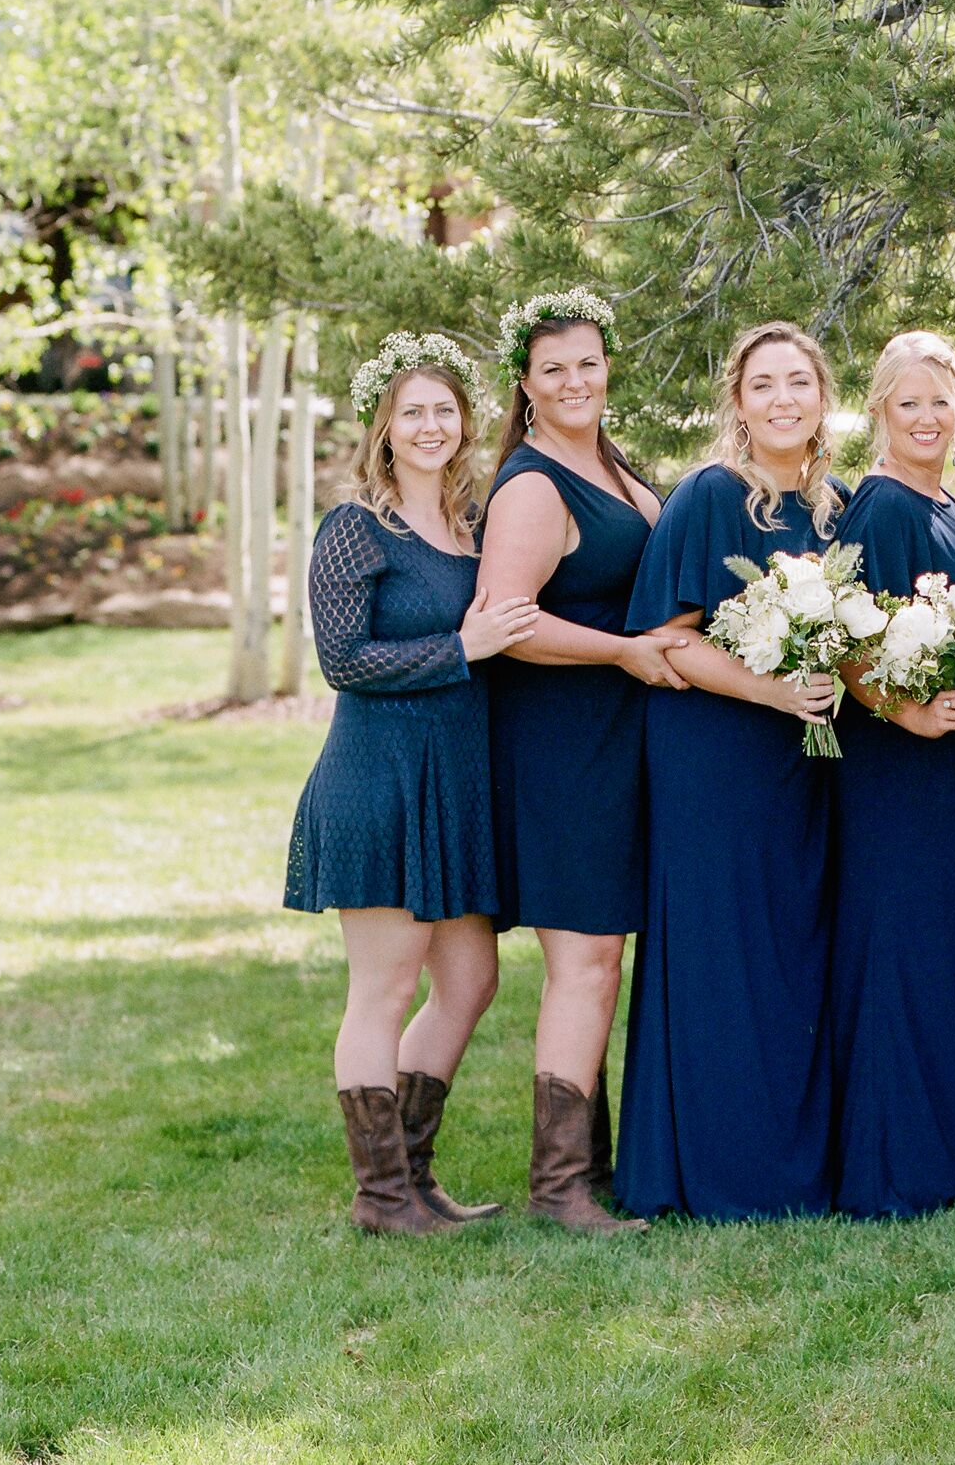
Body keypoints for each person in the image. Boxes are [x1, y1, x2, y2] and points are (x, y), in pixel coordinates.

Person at [286, 333, 536, 1234]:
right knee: (383, 993)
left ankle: (415, 1175)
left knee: (469, 983)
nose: (430, 427)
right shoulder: (356, 526)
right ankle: (380, 1197)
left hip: (457, 783)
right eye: (412, 413)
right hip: (381, 782)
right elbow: (342, 659)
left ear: (465, 422)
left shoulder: (473, 527)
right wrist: (460, 649)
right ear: (383, 429)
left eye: (444, 410)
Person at [614, 323, 849, 1220]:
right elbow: (665, 641)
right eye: (764, 385)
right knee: (723, 951)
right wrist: (777, 691)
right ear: (738, 402)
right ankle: (710, 1170)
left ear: (823, 397)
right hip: (716, 759)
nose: (783, 399)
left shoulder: (841, 509)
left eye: (800, 382)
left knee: (797, 949)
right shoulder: (712, 496)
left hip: (810, 763)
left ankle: (791, 1164)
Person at [479, 288, 675, 1235]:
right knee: (585, 957)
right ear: (526, 382)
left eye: (588, 363)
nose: (575, 381)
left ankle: (585, 1166)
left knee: (602, 955)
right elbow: (507, 626)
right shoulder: (531, 487)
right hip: (561, 743)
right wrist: (623, 652)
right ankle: (559, 1187)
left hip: (616, 738)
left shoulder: (606, 463)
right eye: (553, 369)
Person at [829, 331, 955, 1217]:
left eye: (940, 401)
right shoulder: (882, 507)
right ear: (880, 413)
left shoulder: (954, 507)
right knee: (902, 948)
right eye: (908, 404)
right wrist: (910, 713)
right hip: (897, 772)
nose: (927, 418)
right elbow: (848, 637)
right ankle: (893, 1166)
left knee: (951, 946)